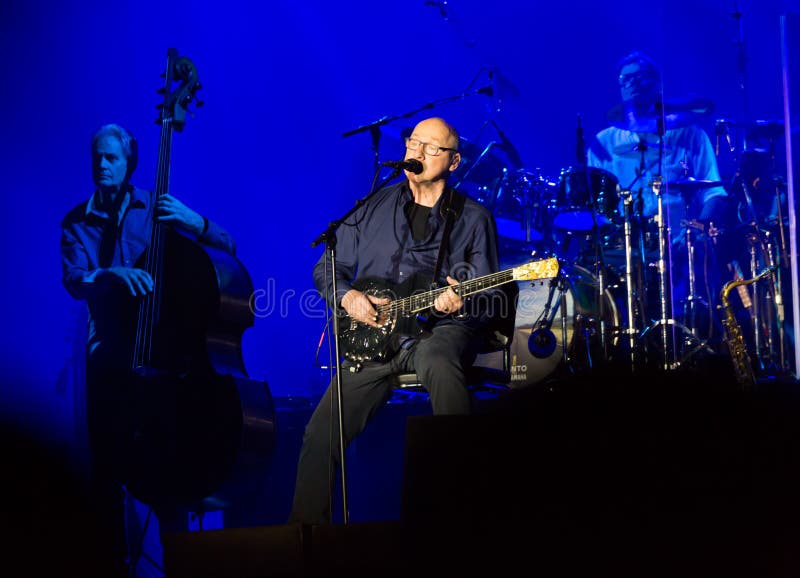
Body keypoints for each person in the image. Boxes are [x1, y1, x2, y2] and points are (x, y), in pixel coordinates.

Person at [288, 116, 503, 524]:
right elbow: (326, 269)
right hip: (373, 340)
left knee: (440, 362)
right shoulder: (371, 208)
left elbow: (490, 293)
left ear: (454, 162)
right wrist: (347, 296)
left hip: (436, 332)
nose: (417, 152)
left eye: (431, 147)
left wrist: (461, 302)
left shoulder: (473, 218)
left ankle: (462, 507)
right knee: (319, 435)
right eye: (413, 143)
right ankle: (303, 539)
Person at [60, 123, 236, 576]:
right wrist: (114, 275)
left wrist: (196, 222)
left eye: (111, 158)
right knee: (107, 472)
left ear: (129, 162)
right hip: (110, 353)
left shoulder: (153, 210)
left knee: (166, 472)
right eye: (96, 157)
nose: (102, 165)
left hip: (164, 354)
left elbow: (228, 250)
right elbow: (75, 280)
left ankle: (181, 558)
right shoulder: (76, 221)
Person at [586, 51, 729, 343]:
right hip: (622, 251)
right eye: (626, 78)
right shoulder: (603, 143)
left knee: (692, 320)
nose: (633, 83)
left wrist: (699, 228)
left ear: (657, 84)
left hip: (679, 247)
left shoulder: (690, 135)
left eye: (641, 77)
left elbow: (714, 191)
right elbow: (592, 205)